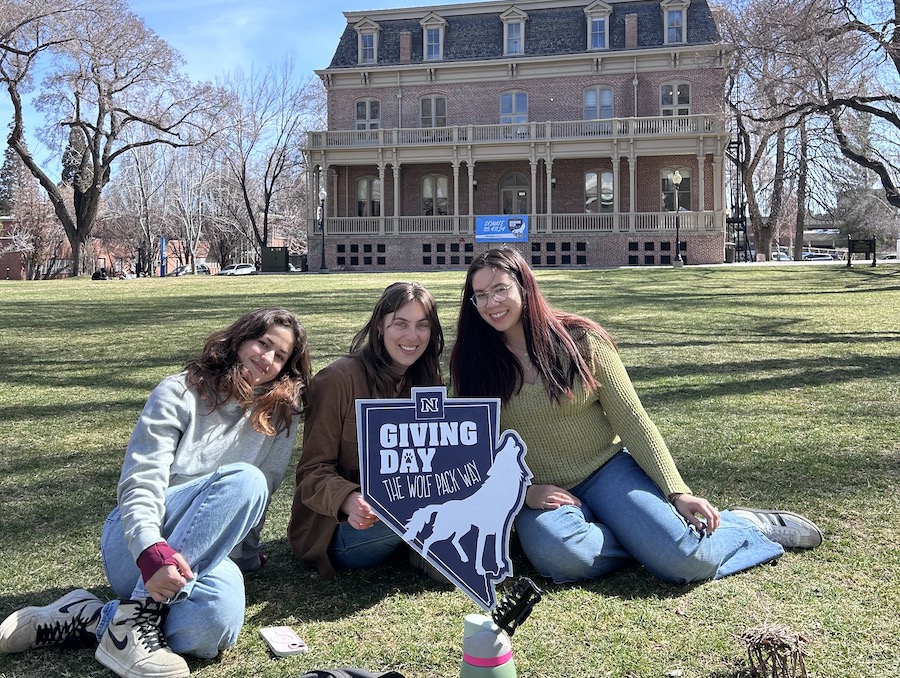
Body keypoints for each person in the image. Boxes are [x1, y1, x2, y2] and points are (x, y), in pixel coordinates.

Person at [449, 247, 822, 586]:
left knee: (685, 561)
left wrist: (677, 493)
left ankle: (746, 526)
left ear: (524, 286)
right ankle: (647, 539)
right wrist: (523, 493)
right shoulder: (472, 365)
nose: (491, 303)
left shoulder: (580, 342)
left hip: (606, 473)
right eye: (480, 295)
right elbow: (473, 449)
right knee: (562, 558)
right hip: (540, 491)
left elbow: (632, 419)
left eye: (500, 289)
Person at [0, 308, 312, 678]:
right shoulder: (179, 391)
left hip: (201, 557)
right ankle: (139, 617)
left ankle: (96, 617)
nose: (267, 360)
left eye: (280, 356)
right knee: (246, 479)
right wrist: (151, 552)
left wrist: (243, 555)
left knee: (213, 627)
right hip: (136, 545)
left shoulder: (277, 416)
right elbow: (141, 481)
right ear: (241, 339)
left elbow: (261, 497)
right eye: (263, 344)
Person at [289, 282, 444, 579]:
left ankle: (422, 547)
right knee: (405, 514)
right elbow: (312, 472)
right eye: (401, 324)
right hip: (343, 529)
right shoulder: (337, 380)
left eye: (422, 326)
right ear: (380, 327)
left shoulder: (427, 379)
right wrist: (348, 499)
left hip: (407, 508)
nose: (412, 336)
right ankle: (425, 544)